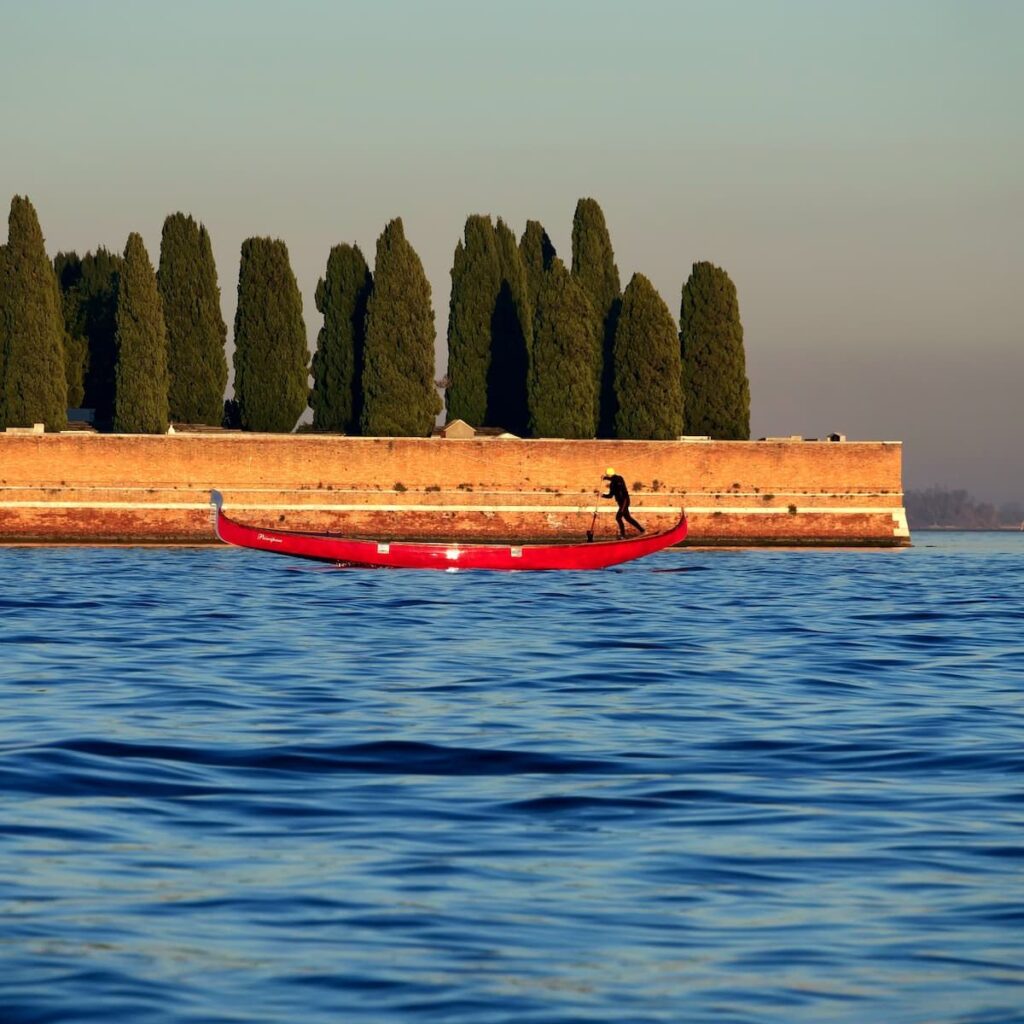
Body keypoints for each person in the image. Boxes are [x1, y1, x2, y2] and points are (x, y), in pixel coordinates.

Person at [601, 467, 644, 538]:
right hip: (620, 503)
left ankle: (623, 535)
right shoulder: (612, 484)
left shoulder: (619, 478)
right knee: (628, 518)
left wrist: (605, 478)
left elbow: (614, 478)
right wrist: (602, 495)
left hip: (625, 501)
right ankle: (642, 530)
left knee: (618, 517)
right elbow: (610, 496)